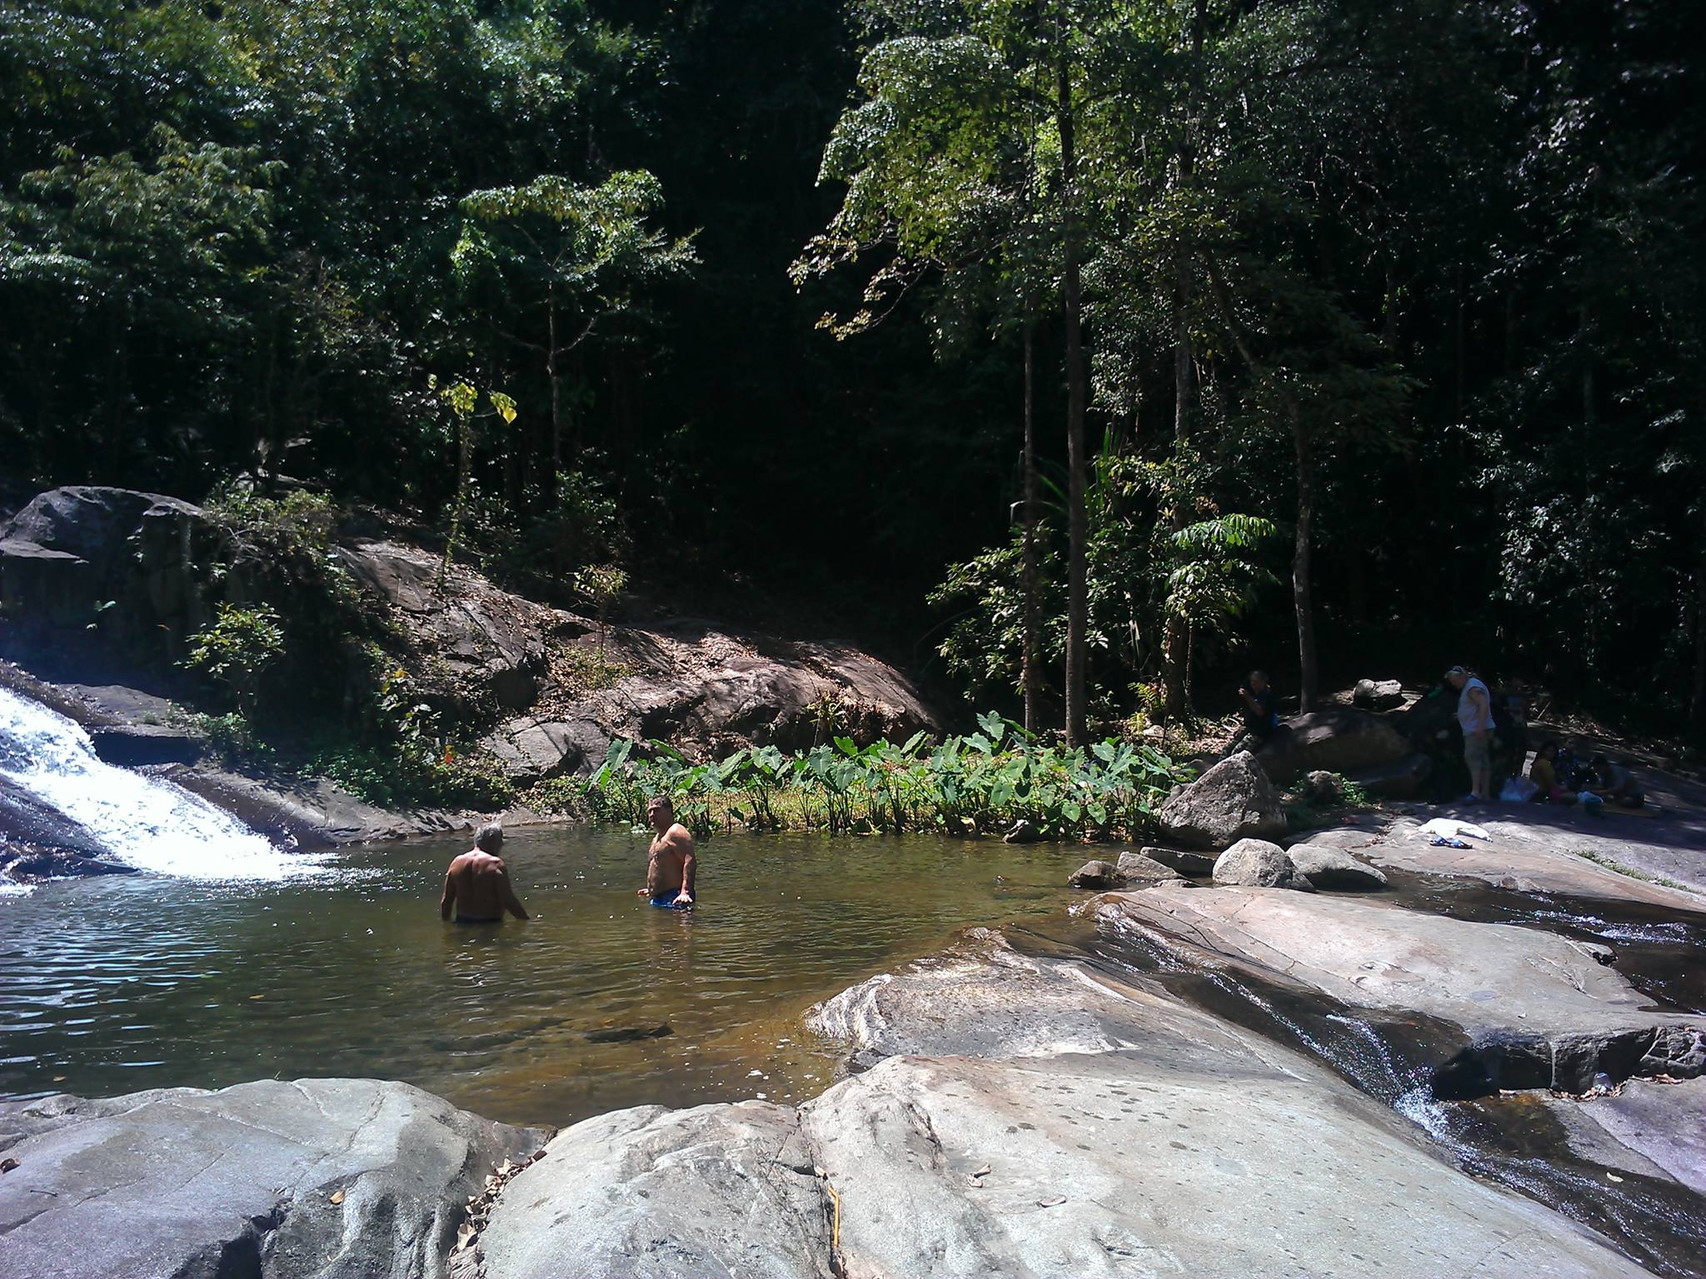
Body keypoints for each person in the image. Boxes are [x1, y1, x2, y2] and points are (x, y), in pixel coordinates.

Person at [440, 823, 529, 923]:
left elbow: (446, 901)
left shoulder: (456, 862)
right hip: (490, 924)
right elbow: (508, 900)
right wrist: (526, 921)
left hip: (462, 922)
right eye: (501, 839)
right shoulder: (495, 863)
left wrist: (447, 927)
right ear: (492, 839)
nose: (502, 844)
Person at [1445, 665, 1494, 804]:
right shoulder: (1471, 685)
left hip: (1476, 730)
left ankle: (1475, 792)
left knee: (1472, 758)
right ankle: (1485, 793)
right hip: (1479, 728)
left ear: (1461, 677)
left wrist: (1480, 726)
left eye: (1455, 681)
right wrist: (1460, 715)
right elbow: (1474, 707)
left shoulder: (1472, 688)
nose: (1454, 684)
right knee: (1483, 760)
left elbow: (1483, 705)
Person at [639, 795, 695, 910]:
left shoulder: (676, 831)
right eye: (650, 811)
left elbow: (689, 860)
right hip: (658, 898)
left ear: (669, 811)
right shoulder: (657, 838)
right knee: (659, 928)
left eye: (656, 810)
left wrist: (685, 892)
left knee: (679, 927)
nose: (652, 815)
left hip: (676, 896)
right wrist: (651, 889)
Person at [1231, 671, 1279, 755]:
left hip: (1261, 732)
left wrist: (1247, 697)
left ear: (1263, 682)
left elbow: (1260, 712)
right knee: (1227, 748)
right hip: (1250, 728)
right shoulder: (1254, 694)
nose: (1253, 684)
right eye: (1252, 681)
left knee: (1237, 753)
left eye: (1256, 682)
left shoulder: (1267, 696)